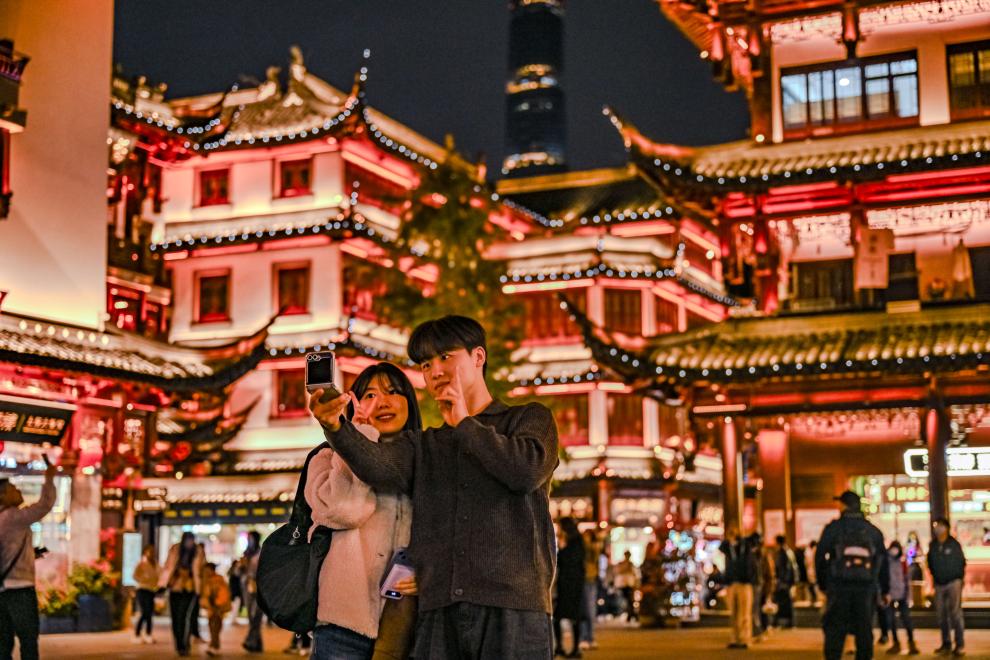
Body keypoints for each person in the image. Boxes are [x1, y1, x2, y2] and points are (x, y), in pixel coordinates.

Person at [309, 315, 559, 659]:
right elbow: (376, 464)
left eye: (445, 357)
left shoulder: (529, 418)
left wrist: (465, 425)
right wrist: (335, 425)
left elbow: (525, 472)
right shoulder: (426, 444)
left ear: (478, 357)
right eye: (426, 364)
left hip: (513, 610)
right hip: (439, 613)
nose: (435, 371)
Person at [305, 362, 421, 660]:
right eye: (369, 395)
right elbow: (346, 511)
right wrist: (359, 437)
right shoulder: (326, 459)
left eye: (393, 392)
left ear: (409, 401)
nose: (382, 402)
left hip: (405, 622)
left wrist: (429, 573)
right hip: (343, 625)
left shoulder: (427, 462)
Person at [815, 490, 889, 660]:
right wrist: (884, 589)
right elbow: (882, 562)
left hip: (839, 586)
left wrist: (823, 583)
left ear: (843, 506)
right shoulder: (872, 531)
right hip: (866, 588)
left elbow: (820, 556)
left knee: (835, 631)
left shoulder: (834, 528)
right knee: (864, 630)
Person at [0, 456, 57, 660]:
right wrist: (49, 477)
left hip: (2, 590)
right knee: (28, 641)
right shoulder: (13, 517)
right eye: (13, 488)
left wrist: (31, 554)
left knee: (3, 643)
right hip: (19, 591)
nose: (18, 490)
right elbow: (45, 505)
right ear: (3, 495)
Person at [160, 531, 205, 657]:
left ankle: (185, 644)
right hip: (175, 586)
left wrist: (200, 588)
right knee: (175, 618)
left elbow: (201, 570)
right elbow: (168, 566)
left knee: (185, 616)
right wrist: (163, 583)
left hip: (190, 587)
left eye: (191, 540)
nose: (189, 543)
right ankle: (179, 644)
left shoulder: (198, 551)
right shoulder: (175, 549)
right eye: (187, 540)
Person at [928, 517, 966, 656]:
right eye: (936, 526)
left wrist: (959, 578)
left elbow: (961, 562)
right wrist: (935, 577)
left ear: (946, 528)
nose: (937, 529)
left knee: (955, 613)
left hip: (953, 582)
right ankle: (946, 643)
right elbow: (930, 562)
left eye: (940, 526)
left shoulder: (954, 544)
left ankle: (959, 645)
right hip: (939, 583)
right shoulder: (933, 545)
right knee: (941, 615)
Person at [719, 525, 758, 650]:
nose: (731, 536)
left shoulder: (745, 546)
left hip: (744, 583)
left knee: (744, 613)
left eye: (733, 533)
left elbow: (755, 539)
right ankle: (735, 638)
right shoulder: (728, 547)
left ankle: (745, 639)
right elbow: (722, 546)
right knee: (734, 613)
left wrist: (741, 539)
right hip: (732, 584)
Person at [554, 518, 585, 658]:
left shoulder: (576, 542)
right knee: (560, 616)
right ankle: (561, 647)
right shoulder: (573, 541)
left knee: (572, 617)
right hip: (567, 584)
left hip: (572, 585)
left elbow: (566, 560)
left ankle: (574, 648)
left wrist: (561, 549)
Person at [884, 541, 919, 656]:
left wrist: (909, 596)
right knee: (891, 621)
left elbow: (907, 580)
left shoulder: (902, 563)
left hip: (902, 595)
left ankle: (911, 642)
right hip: (889, 595)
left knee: (906, 619)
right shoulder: (886, 563)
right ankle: (896, 643)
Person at [200, 562, 232, 657]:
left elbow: (223, 594)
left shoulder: (218, 580)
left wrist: (218, 606)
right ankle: (214, 646)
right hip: (211, 608)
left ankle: (214, 646)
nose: (206, 572)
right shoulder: (206, 580)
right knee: (212, 627)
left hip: (218, 608)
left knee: (215, 627)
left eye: (207, 570)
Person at [240, 531, 264, 654]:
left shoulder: (261, 553)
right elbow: (239, 572)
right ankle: (257, 644)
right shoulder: (246, 554)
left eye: (251, 539)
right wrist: (241, 566)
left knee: (257, 615)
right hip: (247, 586)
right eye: (248, 539)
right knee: (251, 615)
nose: (249, 541)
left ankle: (250, 640)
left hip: (259, 586)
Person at [132, 545, 160, 644]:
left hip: (151, 590)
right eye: (149, 551)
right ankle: (137, 633)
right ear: (145, 552)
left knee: (149, 613)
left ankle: (148, 633)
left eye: (153, 551)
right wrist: (144, 579)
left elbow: (159, 575)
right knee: (145, 612)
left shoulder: (156, 564)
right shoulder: (141, 563)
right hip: (142, 589)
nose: (151, 553)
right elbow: (135, 576)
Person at [578, 530, 601, 651]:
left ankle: (590, 638)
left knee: (590, 611)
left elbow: (595, 554)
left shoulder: (593, 549)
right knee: (583, 610)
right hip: (582, 581)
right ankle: (583, 638)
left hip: (590, 580)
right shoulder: (580, 550)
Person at [772, 535, 799, 628]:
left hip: (784, 581)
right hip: (788, 581)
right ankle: (787, 622)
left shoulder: (783, 552)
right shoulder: (789, 551)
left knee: (784, 601)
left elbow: (785, 568)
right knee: (786, 601)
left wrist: (782, 581)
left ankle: (783, 622)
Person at [613, 551, 639, 624]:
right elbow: (617, 572)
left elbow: (635, 574)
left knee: (630, 600)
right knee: (626, 600)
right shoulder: (621, 564)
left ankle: (631, 615)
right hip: (622, 584)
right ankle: (630, 614)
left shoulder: (631, 564)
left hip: (630, 584)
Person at [806, 541, 820, 606]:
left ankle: (814, 598)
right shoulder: (814, 551)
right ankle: (814, 598)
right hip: (813, 570)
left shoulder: (809, 552)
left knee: (812, 585)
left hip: (811, 570)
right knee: (812, 585)